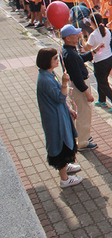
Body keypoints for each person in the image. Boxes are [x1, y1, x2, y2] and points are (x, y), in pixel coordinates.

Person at [36, 48, 83, 188]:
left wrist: (68, 109)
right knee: (60, 146)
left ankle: (66, 166)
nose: (58, 60)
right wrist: (64, 83)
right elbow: (60, 97)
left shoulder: (48, 74)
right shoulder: (45, 79)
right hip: (55, 120)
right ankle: (64, 178)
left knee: (66, 141)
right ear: (47, 61)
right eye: (55, 58)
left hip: (60, 114)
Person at [61, 24, 100, 151]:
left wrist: (93, 51)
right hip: (79, 86)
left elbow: (80, 59)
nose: (78, 35)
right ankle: (82, 142)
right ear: (68, 38)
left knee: (79, 112)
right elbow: (77, 77)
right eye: (75, 34)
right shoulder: (70, 53)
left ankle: (81, 136)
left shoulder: (69, 50)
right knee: (83, 114)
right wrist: (87, 93)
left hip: (76, 87)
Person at [83, 13, 112, 112]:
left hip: (100, 61)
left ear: (92, 22)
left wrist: (81, 39)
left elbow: (86, 48)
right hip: (109, 58)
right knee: (102, 80)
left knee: (102, 82)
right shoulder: (107, 31)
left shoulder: (94, 34)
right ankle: (102, 100)